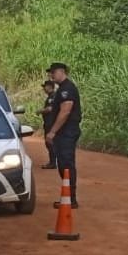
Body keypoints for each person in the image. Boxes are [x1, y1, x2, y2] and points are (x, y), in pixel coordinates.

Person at [45, 62, 82, 208]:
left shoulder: (67, 89)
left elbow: (65, 111)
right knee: (63, 164)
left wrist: (53, 131)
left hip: (67, 132)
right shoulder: (62, 89)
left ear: (61, 71)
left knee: (66, 164)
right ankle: (68, 197)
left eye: (53, 73)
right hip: (64, 132)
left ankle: (71, 199)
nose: (51, 75)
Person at [40, 80, 58, 169]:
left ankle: (53, 163)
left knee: (50, 142)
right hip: (49, 122)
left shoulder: (53, 96)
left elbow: (50, 108)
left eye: (45, 86)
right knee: (49, 143)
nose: (44, 89)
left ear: (49, 87)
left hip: (51, 123)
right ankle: (53, 162)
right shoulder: (51, 96)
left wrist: (41, 111)